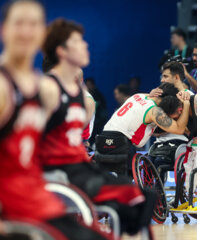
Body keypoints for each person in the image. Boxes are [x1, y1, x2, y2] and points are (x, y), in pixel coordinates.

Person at [0, 1, 109, 239]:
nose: (27, 32)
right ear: (4, 29)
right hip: (11, 205)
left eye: (35, 25)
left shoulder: (43, 90)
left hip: (37, 196)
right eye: (19, 23)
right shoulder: (3, 85)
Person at [40, 18, 155, 235]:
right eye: (79, 41)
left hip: (76, 162)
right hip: (57, 169)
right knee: (132, 197)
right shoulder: (47, 90)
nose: (86, 45)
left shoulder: (81, 97)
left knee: (144, 197)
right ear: (62, 51)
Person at [97, 82, 190, 174]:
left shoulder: (137, 96)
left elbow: (153, 95)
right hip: (121, 144)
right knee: (128, 178)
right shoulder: (154, 110)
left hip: (102, 140)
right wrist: (186, 104)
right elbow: (179, 129)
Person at [85, 77, 107, 144]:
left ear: (93, 85)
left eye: (90, 84)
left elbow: (103, 113)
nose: (88, 86)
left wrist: (98, 122)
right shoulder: (83, 96)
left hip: (98, 125)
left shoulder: (99, 96)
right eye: (87, 85)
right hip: (87, 124)